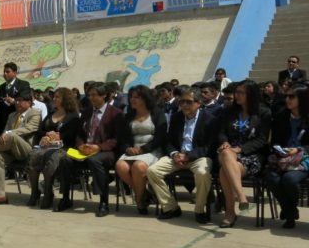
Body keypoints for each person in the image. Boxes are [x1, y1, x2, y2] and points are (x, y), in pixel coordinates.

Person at [146, 87, 217, 223]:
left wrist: (189, 156)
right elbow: (168, 141)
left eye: (188, 102)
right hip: (177, 156)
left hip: (198, 157)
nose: (184, 105)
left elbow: (210, 147)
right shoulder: (176, 117)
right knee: (152, 171)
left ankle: (199, 210)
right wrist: (174, 154)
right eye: (182, 102)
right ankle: (171, 207)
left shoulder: (209, 119)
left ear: (198, 103)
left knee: (203, 173)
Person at [57, 83, 125, 217]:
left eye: (94, 95)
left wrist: (99, 147)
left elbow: (117, 139)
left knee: (95, 160)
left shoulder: (116, 113)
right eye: (89, 95)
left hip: (105, 152)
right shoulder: (87, 111)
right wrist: (81, 145)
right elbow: (80, 134)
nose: (91, 98)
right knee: (65, 159)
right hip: (85, 150)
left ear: (104, 95)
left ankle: (103, 201)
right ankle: (65, 198)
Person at [217, 80, 271, 228]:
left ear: (251, 94)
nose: (237, 95)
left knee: (224, 171)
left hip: (252, 155)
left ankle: (230, 213)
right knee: (226, 153)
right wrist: (224, 142)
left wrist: (240, 149)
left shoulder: (263, 112)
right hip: (228, 152)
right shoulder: (229, 111)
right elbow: (221, 132)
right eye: (236, 92)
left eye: (241, 92)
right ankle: (241, 196)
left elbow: (262, 139)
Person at [115, 85, 167, 214]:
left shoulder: (157, 113)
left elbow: (161, 137)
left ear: (145, 98)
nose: (133, 100)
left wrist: (143, 149)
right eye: (131, 97)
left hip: (152, 149)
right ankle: (145, 193)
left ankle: (139, 200)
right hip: (132, 151)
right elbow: (123, 138)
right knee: (120, 166)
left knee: (138, 167)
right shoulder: (128, 116)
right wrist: (127, 148)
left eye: (137, 97)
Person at [26, 88, 79, 210]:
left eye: (57, 97)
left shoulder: (73, 116)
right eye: (54, 97)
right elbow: (40, 130)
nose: (54, 99)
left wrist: (59, 136)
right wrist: (46, 135)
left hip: (64, 147)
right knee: (34, 156)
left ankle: (48, 192)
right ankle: (35, 192)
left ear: (65, 99)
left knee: (51, 157)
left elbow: (73, 134)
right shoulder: (51, 113)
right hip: (46, 145)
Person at [264, 84, 309, 229]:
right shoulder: (281, 116)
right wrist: (279, 149)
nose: (287, 100)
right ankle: (290, 210)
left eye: (292, 97)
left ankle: (289, 211)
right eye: (286, 96)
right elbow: (275, 140)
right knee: (271, 177)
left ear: (302, 99)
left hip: (304, 159)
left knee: (289, 179)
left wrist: (298, 150)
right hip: (282, 158)